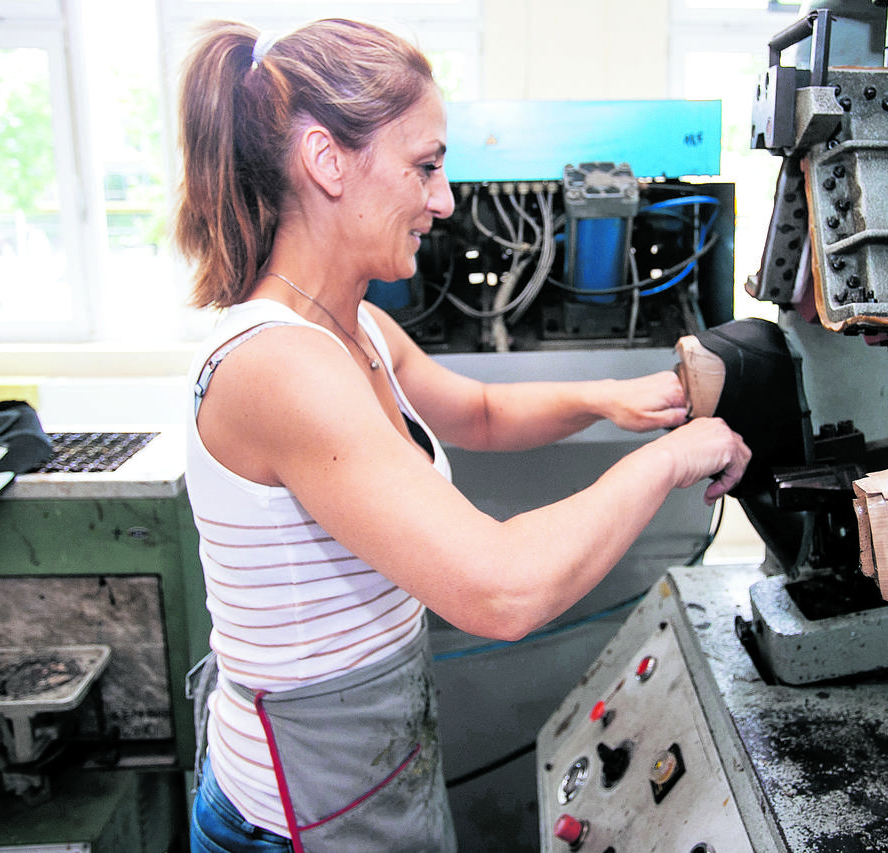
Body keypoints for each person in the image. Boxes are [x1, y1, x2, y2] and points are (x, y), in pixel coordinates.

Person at [173, 18, 750, 853]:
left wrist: (610, 398)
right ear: (327, 161)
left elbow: (476, 413)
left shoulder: (356, 327)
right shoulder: (278, 368)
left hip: (368, 779)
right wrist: (672, 457)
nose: (442, 200)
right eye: (425, 165)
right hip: (290, 824)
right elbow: (503, 590)